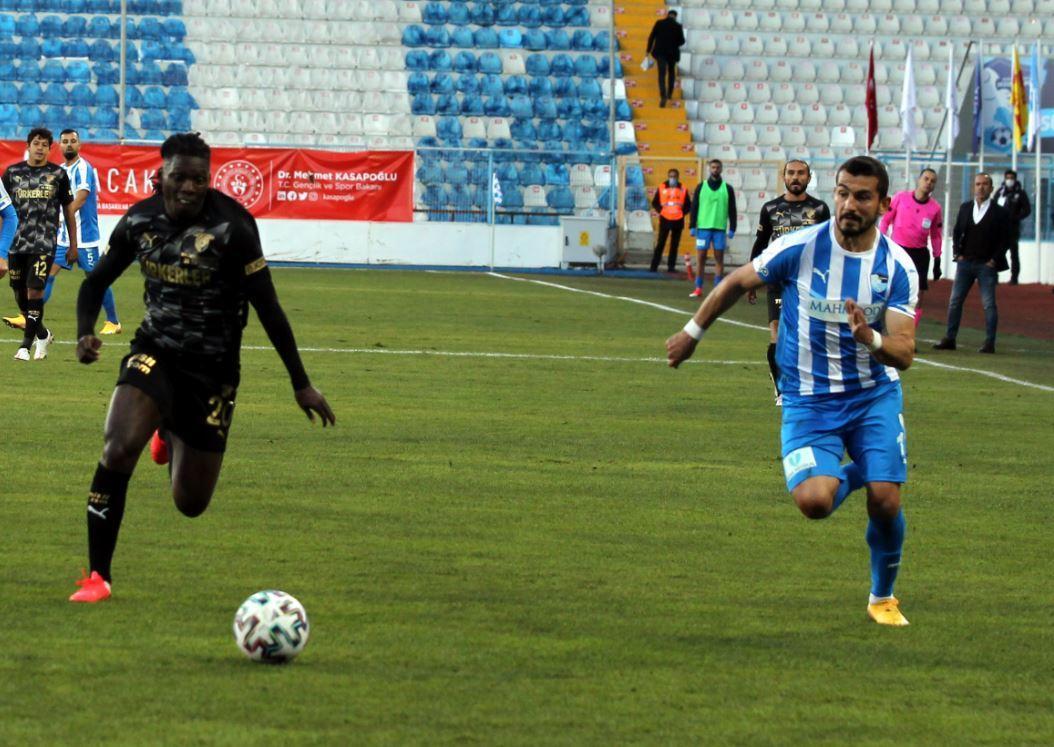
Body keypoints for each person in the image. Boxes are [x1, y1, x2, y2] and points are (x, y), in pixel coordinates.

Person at [68, 133, 335, 603]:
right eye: (180, 177)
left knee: (190, 503)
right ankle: (98, 576)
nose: (189, 187)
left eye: (199, 178)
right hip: (155, 350)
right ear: (161, 177)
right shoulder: (139, 221)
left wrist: (301, 384)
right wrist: (84, 332)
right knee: (117, 445)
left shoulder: (234, 228)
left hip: (213, 371)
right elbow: (95, 283)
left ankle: (168, 430)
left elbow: (269, 308)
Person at [666, 156, 918, 627]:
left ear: (883, 204)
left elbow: (904, 350)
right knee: (814, 502)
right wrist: (692, 334)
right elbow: (737, 282)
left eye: (862, 196)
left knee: (886, 501)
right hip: (807, 398)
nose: (849, 204)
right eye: (843, 192)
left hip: (871, 396)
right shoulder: (800, 247)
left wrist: (873, 339)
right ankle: (872, 468)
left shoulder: (896, 266)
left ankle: (882, 598)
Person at [748, 160, 830, 406]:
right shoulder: (771, 208)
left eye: (801, 173)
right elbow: (760, 245)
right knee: (777, 332)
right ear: (784, 176)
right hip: (778, 282)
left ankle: (814, 385)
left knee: (810, 334)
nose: (796, 177)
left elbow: (828, 247)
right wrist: (751, 280)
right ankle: (782, 391)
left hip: (810, 283)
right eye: (791, 173)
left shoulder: (820, 209)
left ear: (809, 177)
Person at [1, 127, 76, 360]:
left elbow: (69, 209)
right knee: (19, 293)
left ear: (49, 148)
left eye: (44, 144)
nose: (40, 148)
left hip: (44, 242)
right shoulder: (12, 173)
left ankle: (25, 345)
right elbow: (3, 212)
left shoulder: (58, 175)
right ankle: (42, 334)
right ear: (28, 145)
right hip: (16, 243)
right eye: (36, 143)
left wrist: (73, 244)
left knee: (35, 290)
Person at [45, 129, 122, 334]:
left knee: (95, 277)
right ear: (59, 146)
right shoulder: (60, 170)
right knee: (48, 272)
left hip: (84, 237)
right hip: (64, 237)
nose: (69, 144)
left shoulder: (83, 168)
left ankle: (113, 322)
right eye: (65, 141)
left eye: (73, 141)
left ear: (80, 145)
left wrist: (61, 216)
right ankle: (29, 316)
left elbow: (81, 197)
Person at [933, 173, 1011, 354]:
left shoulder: (1000, 213)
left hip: (986, 266)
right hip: (965, 263)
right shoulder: (966, 208)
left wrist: (994, 260)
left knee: (989, 304)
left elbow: (1005, 240)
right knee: (954, 302)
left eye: (985, 184)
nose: (981, 187)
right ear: (973, 187)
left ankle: (989, 343)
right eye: (978, 184)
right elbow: (957, 230)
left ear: (991, 188)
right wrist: (957, 254)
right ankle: (950, 338)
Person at [879, 168, 943, 326]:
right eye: (926, 179)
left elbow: (936, 235)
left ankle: (911, 331)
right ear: (919, 180)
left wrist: (937, 258)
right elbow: (886, 220)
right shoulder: (900, 198)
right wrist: (882, 242)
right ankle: (884, 325)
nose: (928, 183)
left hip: (920, 254)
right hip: (898, 250)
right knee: (889, 288)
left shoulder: (935, 208)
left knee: (918, 294)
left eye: (932, 181)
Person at [688, 159, 736, 297]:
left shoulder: (728, 188)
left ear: (721, 169)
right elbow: (694, 207)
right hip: (703, 228)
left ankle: (717, 289)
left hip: (719, 229)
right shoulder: (700, 187)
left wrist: (733, 227)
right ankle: (698, 288)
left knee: (719, 258)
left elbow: (732, 209)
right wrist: (692, 225)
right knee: (700, 258)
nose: (715, 169)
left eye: (717, 167)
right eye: (713, 167)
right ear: (709, 169)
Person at [992, 169, 1031, 285]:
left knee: (1014, 253)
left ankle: (1014, 278)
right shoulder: (1000, 192)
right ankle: (994, 276)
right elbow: (993, 206)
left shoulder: (1020, 193)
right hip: (999, 228)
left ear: (1015, 179)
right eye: (1007, 178)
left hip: (1013, 228)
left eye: (1011, 178)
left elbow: (1027, 210)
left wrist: (1016, 217)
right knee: (997, 253)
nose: (1009, 180)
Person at [649, 168, 692, 273]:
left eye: (674, 176)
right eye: (670, 176)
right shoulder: (662, 187)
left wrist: (682, 213)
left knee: (674, 245)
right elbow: (655, 202)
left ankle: (671, 267)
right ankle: (654, 266)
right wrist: (661, 211)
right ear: (668, 177)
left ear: (678, 177)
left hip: (678, 220)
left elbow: (688, 205)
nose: (672, 178)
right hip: (665, 219)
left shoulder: (683, 189)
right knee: (661, 243)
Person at [645, 9, 685, 108]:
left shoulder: (659, 23)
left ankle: (663, 95)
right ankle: (670, 94)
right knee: (671, 73)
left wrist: (648, 50)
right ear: (675, 16)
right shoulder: (678, 26)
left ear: (667, 15)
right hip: (672, 54)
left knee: (661, 74)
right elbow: (682, 41)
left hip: (660, 53)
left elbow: (651, 37)